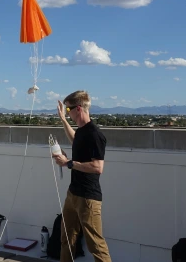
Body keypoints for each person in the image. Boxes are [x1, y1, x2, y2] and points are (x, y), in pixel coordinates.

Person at [53, 90, 112, 262]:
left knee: (96, 245)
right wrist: (63, 120)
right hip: (73, 194)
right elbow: (75, 140)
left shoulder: (95, 134)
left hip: (88, 198)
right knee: (66, 238)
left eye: (68, 110)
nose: (68, 113)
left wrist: (68, 163)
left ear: (78, 109)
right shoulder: (82, 131)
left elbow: (97, 167)